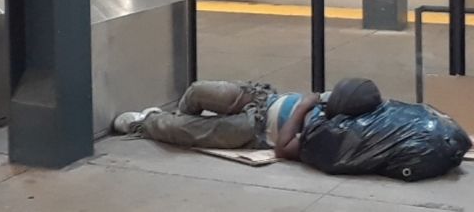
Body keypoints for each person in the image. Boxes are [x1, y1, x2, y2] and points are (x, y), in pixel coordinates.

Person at [114, 78, 382, 160]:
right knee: (199, 90)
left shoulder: (334, 134)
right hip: (262, 101)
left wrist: (302, 109)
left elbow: (283, 148)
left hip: (256, 131)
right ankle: (185, 120)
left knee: (182, 129)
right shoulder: (334, 101)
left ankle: (147, 123)